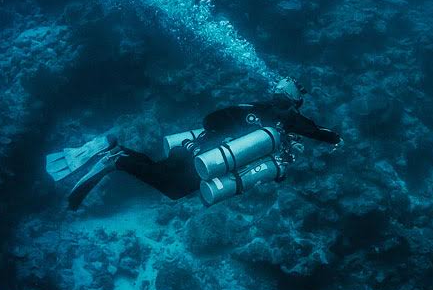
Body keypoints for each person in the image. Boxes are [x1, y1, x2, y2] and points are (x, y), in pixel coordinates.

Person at [46, 77, 342, 210]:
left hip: (194, 146)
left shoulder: (253, 106)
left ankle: (115, 150)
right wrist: (337, 139)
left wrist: (208, 140)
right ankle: (116, 161)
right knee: (174, 189)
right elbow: (318, 132)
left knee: (159, 169)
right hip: (207, 160)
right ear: (295, 104)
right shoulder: (289, 121)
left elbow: (211, 118)